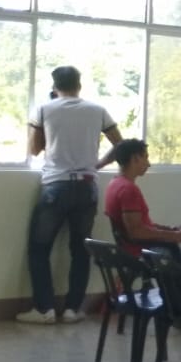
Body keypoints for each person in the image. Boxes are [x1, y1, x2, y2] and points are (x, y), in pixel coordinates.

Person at [19, 65, 122, 324]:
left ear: (55, 86)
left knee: (39, 248)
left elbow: (34, 149)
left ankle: (44, 309)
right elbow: (121, 145)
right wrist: (99, 164)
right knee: (80, 250)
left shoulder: (44, 109)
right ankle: (73, 309)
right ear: (79, 85)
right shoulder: (98, 110)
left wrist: (36, 126)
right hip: (87, 187)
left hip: (56, 186)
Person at [104, 139, 181, 258]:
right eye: (145, 157)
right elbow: (136, 232)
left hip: (134, 249)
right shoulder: (128, 189)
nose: (148, 164)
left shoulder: (114, 184)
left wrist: (170, 230)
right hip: (144, 252)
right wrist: (173, 236)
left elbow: (140, 225)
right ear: (135, 158)